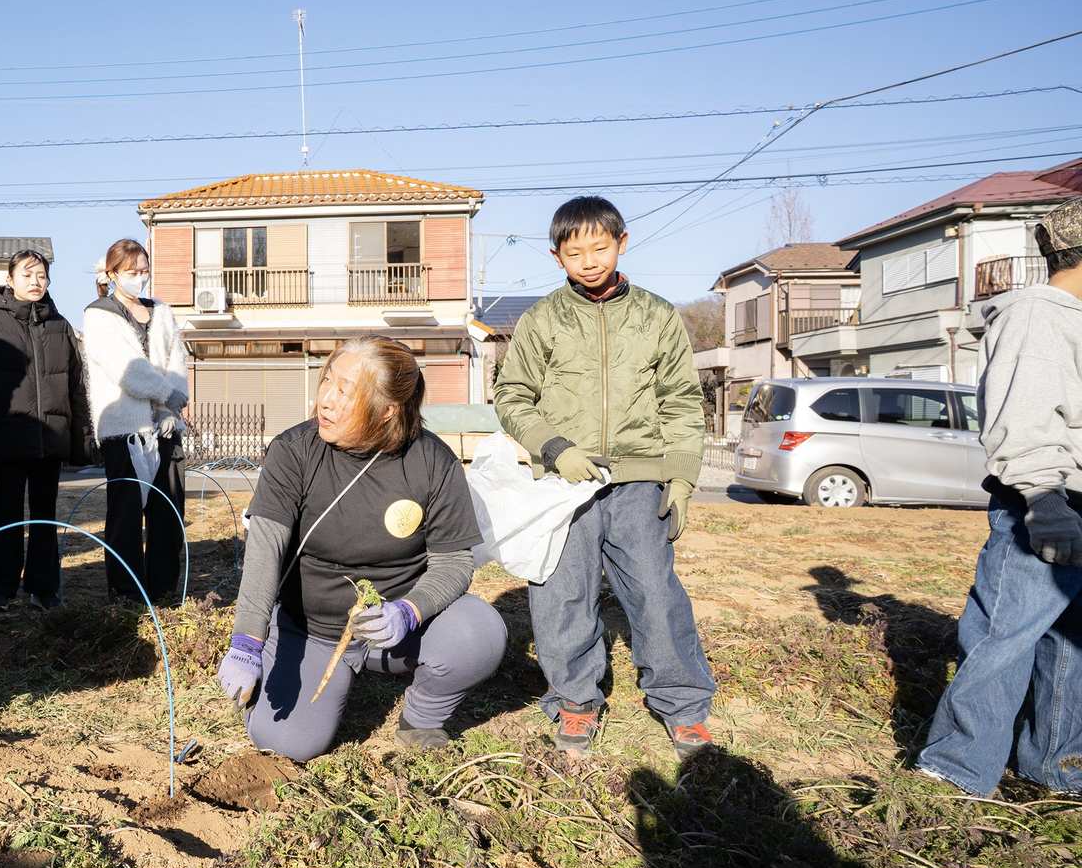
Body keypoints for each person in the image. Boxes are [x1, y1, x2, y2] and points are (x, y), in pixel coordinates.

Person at [492, 195, 714, 758]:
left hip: (640, 480)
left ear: (621, 242)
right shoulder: (543, 319)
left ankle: (682, 703)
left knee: (655, 592)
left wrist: (682, 477)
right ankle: (574, 701)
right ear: (556, 256)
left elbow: (682, 402)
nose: (589, 261)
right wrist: (554, 447)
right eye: (575, 252)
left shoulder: (657, 316)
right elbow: (512, 396)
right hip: (564, 485)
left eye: (599, 247)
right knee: (562, 594)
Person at [213, 336, 505, 762]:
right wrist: (247, 641)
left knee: (479, 633)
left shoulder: (432, 463)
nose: (325, 401)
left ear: (388, 410)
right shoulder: (295, 451)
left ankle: (421, 718)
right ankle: (295, 667)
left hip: (395, 631)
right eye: (327, 382)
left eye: (345, 392)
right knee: (287, 743)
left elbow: (453, 562)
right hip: (313, 628)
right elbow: (265, 549)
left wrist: (410, 611)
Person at [916, 198, 1082, 797]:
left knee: (1070, 645)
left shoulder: (1066, 315)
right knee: (1002, 640)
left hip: (1069, 498)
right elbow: (1024, 416)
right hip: (1048, 501)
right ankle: (954, 775)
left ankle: (1057, 767)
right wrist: (1046, 501)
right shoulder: (1039, 313)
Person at [0, 249, 94, 611]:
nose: (36, 282)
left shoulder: (59, 325)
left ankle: (44, 588)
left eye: (42, 276)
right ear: (10, 279)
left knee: (45, 517)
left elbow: (76, 387)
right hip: (6, 439)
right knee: (6, 515)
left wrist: (81, 443)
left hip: (49, 439)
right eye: (28, 274)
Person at [83, 238, 188, 602]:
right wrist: (164, 394)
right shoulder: (99, 313)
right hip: (125, 429)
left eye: (144, 271)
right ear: (112, 274)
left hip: (166, 425)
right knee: (127, 515)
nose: (139, 278)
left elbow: (177, 358)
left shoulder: (161, 310)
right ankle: (126, 591)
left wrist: (171, 404)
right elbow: (126, 367)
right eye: (131, 272)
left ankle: (162, 589)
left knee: (168, 512)